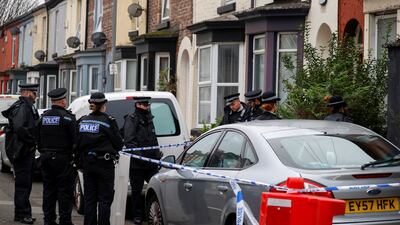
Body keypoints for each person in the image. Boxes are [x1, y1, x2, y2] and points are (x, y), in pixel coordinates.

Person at [75, 92, 123, 225]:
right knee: (104, 200)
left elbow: (77, 143)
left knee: (90, 199)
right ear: (103, 105)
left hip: (88, 165)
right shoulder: (108, 121)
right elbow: (119, 144)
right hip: (104, 165)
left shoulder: (83, 121)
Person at [1, 83, 39, 224]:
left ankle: (21, 213)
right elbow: (20, 128)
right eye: (35, 94)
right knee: (23, 185)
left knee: (24, 185)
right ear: (28, 93)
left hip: (22, 150)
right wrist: (33, 139)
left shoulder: (24, 106)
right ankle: (23, 214)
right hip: (22, 152)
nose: (36, 97)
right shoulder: (23, 107)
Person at [37, 88, 76, 225]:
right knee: (64, 191)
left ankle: (48, 220)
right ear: (62, 101)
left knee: (48, 190)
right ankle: (65, 220)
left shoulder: (44, 117)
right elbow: (75, 140)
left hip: (46, 157)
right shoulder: (68, 118)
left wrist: (43, 151)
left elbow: (38, 139)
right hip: (63, 158)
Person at [123, 96, 162, 225]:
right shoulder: (131, 119)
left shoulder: (150, 119)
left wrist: (157, 154)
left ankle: (153, 214)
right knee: (136, 192)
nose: (147, 107)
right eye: (145, 105)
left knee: (156, 190)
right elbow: (129, 142)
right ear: (138, 105)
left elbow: (153, 139)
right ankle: (137, 216)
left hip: (151, 164)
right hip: (137, 165)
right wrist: (142, 158)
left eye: (148, 104)